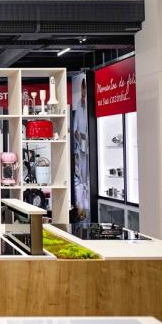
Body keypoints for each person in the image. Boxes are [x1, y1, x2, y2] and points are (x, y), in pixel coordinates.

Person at [73, 78, 90, 221]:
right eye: (82, 91)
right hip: (81, 148)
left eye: (85, 91)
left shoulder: (89, 105)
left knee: (86, 180)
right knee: (79, 179)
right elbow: (75, 128)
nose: (83, 94)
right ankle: (81, 207)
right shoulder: (79, 104)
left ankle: (86, 208)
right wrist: (78, 135)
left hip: (89, 149)